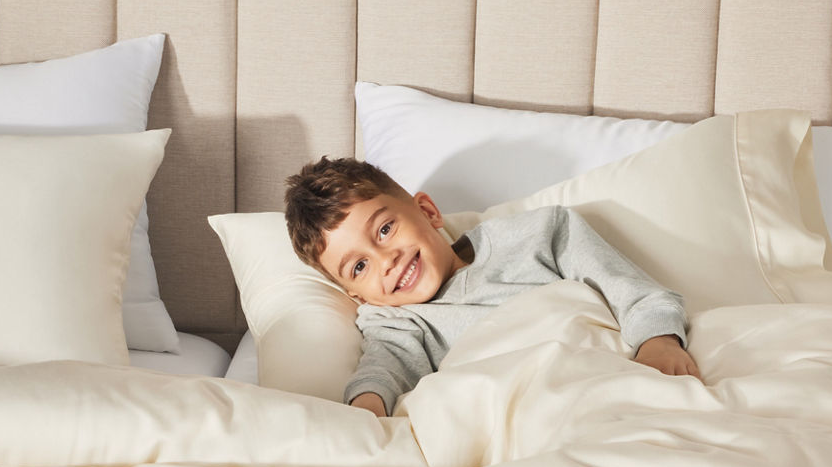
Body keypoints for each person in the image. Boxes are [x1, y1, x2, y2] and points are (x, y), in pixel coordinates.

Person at [284, 157, 698, 417]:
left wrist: (659, 342)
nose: (386, 259)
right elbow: (382, 371)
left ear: (427, 211)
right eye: (359, 267)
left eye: (385, 229)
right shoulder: (399, 322)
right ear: (357, 297)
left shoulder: (539, 233)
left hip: (608, 382)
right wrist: (367, 411)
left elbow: (627, 287)